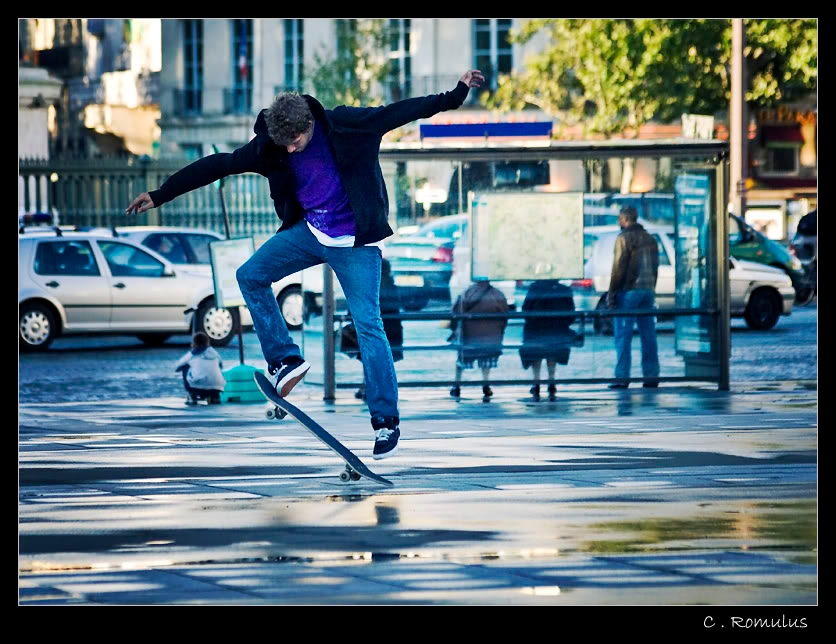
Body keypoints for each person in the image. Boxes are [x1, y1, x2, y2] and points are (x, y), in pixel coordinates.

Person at [126, 69, 484, 459]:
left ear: (309, 124)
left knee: (369, 326)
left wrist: (456, 93)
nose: (291, 151)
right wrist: (161, 195)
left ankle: (385, 422)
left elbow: (404, 111)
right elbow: (217, 164)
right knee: (250, 275)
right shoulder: (271, 147)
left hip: (356, 244)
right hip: (310, 233)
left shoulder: (348, 125)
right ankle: (285, 360)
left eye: (296, 142)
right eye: (285, 145)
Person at [606, 206, 660, 389]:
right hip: (647, 289)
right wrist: (652, 287)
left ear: (624, 218)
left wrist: (611, 293)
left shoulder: (623, 238)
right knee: (648, 335)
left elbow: (618, 268)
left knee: (623, 336)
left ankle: (622, 377)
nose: (618, 222)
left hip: (628, 291)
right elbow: (655, 267)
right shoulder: (650, 239)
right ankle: (651, 376)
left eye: (619, 218)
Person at [351, 258, 404, 401]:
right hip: (391, 329)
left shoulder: (370, 286)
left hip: (373, 331)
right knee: (381, 360)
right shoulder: (391, 286)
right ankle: (378, 388)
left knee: (370, 359)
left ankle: (369, 387)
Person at [448, 280, 509, 402]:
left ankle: (457, 385)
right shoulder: (497, 294)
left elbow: (455, 311)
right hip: (491, 336)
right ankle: (485, 384)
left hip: (469, 335)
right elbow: (504, 315)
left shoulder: (467, 292)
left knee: (462, 361)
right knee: (486, 361)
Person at [519, 279, 578, 402]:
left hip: (535, 328)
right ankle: (551, 381)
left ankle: (536, 382)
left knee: (536, 355)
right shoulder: (564, 290)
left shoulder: (534, 288)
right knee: (552, 354)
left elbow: (526, 309)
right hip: (556, 329)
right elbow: (571, 314)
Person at [175, 331, 226, 405]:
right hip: (217, 387)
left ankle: (192, 395)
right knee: (216, 366)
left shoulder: (192, 355)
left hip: (197, 387)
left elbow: (177, 367)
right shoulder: (215, 353)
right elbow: (221, 366)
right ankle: (215, 397)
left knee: (185, 367)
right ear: (208, 343)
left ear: (194, 344)